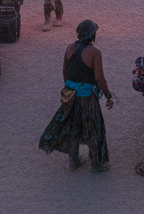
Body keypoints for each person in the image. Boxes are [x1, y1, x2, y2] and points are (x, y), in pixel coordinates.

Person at [39, 20, 114, 172]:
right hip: (87, 98)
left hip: (71, 95)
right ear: (92, 35)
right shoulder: (94, 52)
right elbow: (99, 77)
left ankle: (74, 160)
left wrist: (69, 90)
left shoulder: (69, 48)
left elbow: (65, 71)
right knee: (94, 128)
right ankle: (96, 163)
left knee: (74, 127)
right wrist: (108, 95)